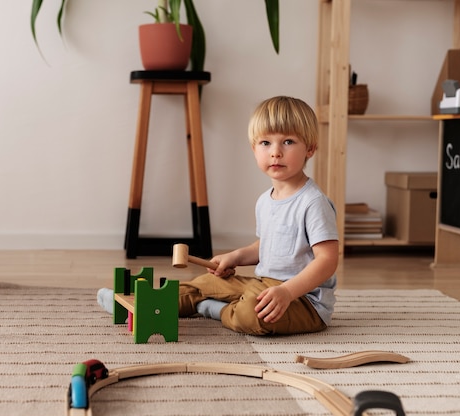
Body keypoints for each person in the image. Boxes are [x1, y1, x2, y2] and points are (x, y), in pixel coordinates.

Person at [98, 96, 339, 336]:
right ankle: (141, 303)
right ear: (254, 149)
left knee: (250, 314)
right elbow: (266, 246)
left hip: (304, 301)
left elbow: (327, 260)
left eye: (287, 141)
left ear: (310, 148)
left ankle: (215, 310)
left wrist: (287, 292)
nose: (275, 152)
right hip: (264, 286)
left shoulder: (313, 203)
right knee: (205, 283)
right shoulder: (266, 200)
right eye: (265, 143)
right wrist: (234, 257)